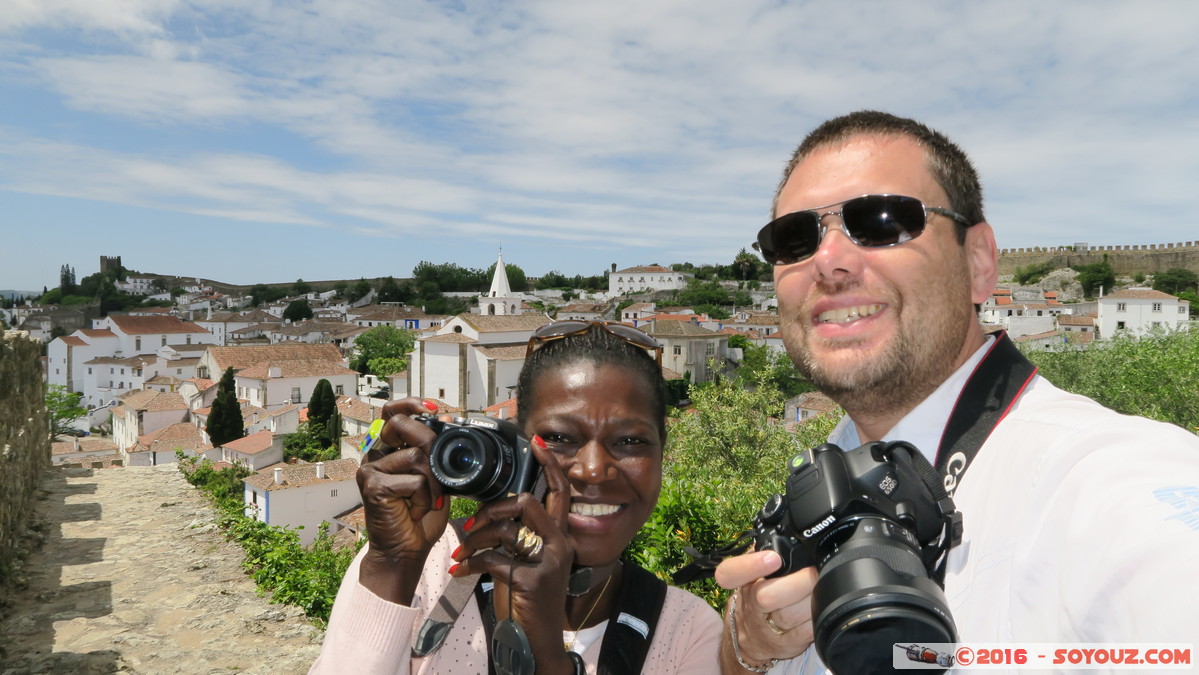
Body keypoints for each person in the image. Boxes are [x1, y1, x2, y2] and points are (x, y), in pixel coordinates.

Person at [714, 110, 1199, 673]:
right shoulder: (828, 482)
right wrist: (746, 644)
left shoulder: (1102, 477)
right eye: (795, 238)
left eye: (883, 220)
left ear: (979, 263)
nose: (829, 260)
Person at [311, 321, 722, 674]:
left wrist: (545, 651)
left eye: (631, 441)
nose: (593, 469)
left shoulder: (687, 632)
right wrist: (393, 565)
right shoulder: (428, 571)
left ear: (661, 455)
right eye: (560, 438)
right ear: (518, 445)